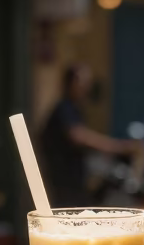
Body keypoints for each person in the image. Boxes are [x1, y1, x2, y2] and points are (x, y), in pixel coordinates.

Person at [40, 63, 136, 207]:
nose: (87, 87)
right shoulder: (64, 108)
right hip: (64, 177)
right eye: (83, 82)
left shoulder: (75, 108)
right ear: (71, 83)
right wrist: (115, 146)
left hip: (75, 176)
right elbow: (79, 136)